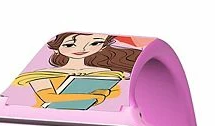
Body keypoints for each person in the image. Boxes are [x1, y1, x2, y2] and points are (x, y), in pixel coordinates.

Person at [13, 32, 142, 108]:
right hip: (42, 119)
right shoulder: (42, 74)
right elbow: (48, 97)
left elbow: (114, 98)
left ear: (103, 47)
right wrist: (93, 96)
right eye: (69, 45)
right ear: (57, 48)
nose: (83, 49)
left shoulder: (106, 73)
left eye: (94, 43)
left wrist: (101, 94)